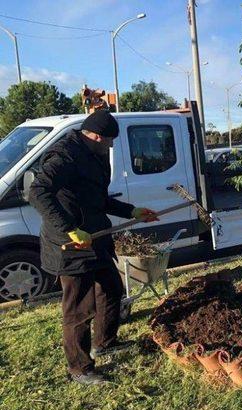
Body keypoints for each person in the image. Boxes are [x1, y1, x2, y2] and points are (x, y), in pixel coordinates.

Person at [28, 110, 159, 386]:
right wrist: (69, 228)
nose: (111, 146)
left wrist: (132, 211)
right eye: (109, 141)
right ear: (96, 136)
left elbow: (97, 198)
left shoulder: (96, 156)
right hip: (70, 243)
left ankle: (105, 343)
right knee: (78, 308)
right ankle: (80, 368)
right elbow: (38, 192)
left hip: (95, 237)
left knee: (111, 288)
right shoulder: (65, 156)